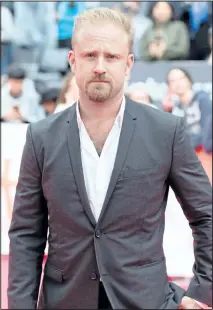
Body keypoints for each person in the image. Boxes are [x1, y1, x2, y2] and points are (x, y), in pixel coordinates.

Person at [8, 7, 212, 310]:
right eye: (90, 55)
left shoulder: (165, 131)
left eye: (111, 57)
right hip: (65, 302)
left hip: (147, 301)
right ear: (72, 61)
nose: (100, 66)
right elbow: (26, 234)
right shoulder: (41, 136)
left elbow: (206, 214)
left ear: (128, 64)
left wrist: (202, 290)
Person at [164, 67, 212, 151]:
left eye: (180, 79)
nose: (177, 83)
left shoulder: (202, 99)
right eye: (172, 81)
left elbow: (207, 135)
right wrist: (167, 111)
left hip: (203, 152)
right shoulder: (175, 107)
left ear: (189, 79)